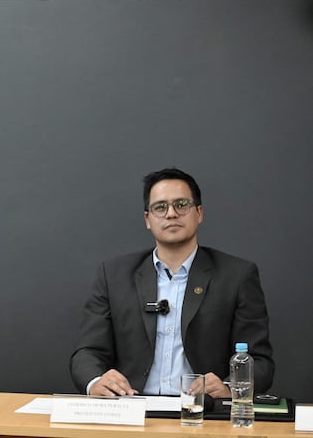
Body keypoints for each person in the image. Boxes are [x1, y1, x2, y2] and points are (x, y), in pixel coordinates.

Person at [70, 168, 273, 398]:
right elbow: (86, 353)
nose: (171, 214)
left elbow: (259, 361)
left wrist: (229, 387)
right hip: (130, 408)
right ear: (148, 219)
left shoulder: (237, 276)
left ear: (199, 213)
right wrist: (96, 381)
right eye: (160, 207)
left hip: (202, 412)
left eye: (181, 205)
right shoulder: (114, 275)